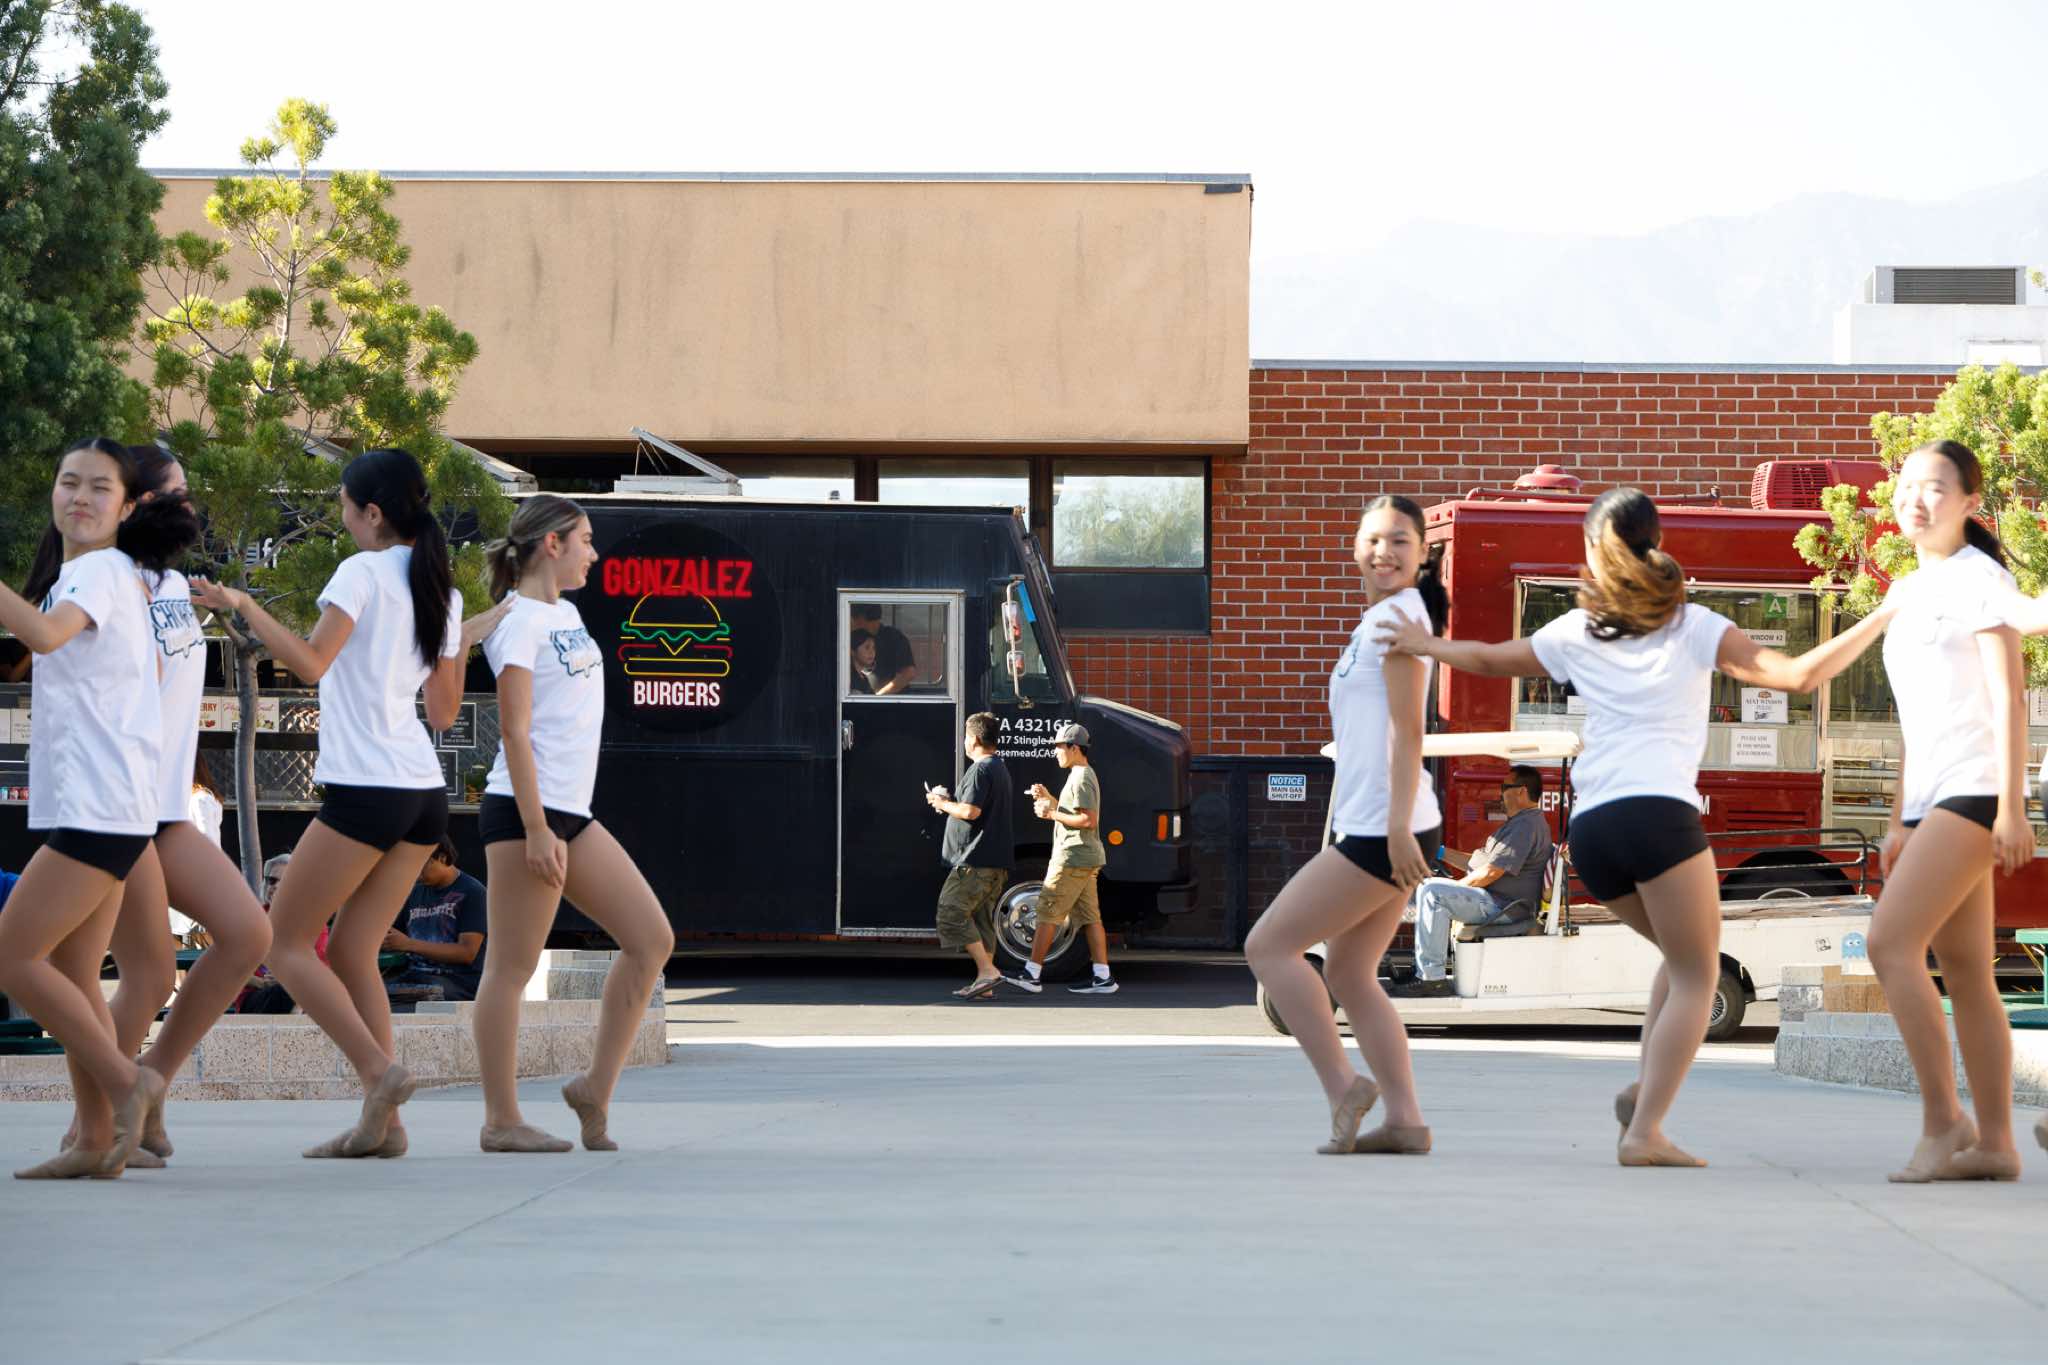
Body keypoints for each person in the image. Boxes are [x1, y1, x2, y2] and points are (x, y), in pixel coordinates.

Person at [1378, 486, 1897, 1166]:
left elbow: (1488, 657)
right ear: (1656, 543)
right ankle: (1646, 1129)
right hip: (1658, 819)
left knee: (1679, 961)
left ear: (1594, 551)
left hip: (1593, 832)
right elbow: (1799, 675)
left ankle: (1643, 1093)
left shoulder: (1578, 630)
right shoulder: (1694, 624)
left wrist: (1425, 642)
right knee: (1699, 972)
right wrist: (1882, 612)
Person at [192, 448, 509, 1160]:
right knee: (355, 948)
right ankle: (385, 1127)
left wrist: (244, 604)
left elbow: (310, 663)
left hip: (367, 789)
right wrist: (459, 639)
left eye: (343, 505)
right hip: (422, 794)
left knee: (282, 942)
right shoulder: (440, 589)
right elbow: (443, 713)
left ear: (372, 512)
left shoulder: (361, 573)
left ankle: (378, 1071)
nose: (341, 517)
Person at [48, 446, 270, 1168]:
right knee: (134, 973)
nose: (190, 506)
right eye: (177, 493)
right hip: (125, 806)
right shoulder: (111, 578)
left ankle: (146, 1088)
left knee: (248, 935)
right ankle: (98, 1124)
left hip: (168, 803)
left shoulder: (171, 581)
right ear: (139, 502)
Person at [1838, 440, 2028, 1182]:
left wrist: (2012, 807)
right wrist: (1896, 817)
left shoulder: (1982, 580)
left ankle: (1945, 1122)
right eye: (1907, 484)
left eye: (1937, 487)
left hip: (1975, 789)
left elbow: (2009, 697)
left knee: (1890, 945)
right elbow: (1916, 715)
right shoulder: (1909, 589)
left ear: (1971, 503)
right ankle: (1997, 1144)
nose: (1916, 498)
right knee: (1969, 972)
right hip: (1929, 797)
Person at [0, 437, 190, 1178]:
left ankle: (128, 1082)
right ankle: (91, 1141)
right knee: (76, 974)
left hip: (100, 804)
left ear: (129, 506)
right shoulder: (97, 574)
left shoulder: (102, 571)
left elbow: (45, 637)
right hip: (104, 800)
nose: (79, 497)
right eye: (68, 482)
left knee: (12, 956)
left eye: (99, 487)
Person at [471, 494, 673, 1154]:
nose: (595, 552)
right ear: (551, 543)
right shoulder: (515, 623)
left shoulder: (568, 612)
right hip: (523, 811)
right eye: (585, 539)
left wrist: (554, 823)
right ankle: (500, 1119)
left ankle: (594, 1089)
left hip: (573, 812)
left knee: (651, 940)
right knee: (511, 967)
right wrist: (535, 828)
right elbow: (514, 730)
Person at [1244, 496, 1442, 1155]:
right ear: (1355, 547)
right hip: (1382, 820)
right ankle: (1406, 1120)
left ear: (1422, 553)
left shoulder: (1399, 621)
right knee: (1352, 973)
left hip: (1385, 827)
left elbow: (1410, 733)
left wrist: (1397, 828)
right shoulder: (1377, 621)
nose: (1385, 551)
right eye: (1374, 539)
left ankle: (1343, 1087)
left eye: (1401, 540)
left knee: (1269, 947)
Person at [1393, 764, 1553, 997]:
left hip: (1505, 907)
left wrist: (1456, 888)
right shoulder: (1520, 824)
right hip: (1498, 901)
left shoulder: (1526, 825)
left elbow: (1491, 873)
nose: (1500, 793)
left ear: (1521, 791)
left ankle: (1432, 979)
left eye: (1505, 787)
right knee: (1429, 887)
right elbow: (1478, 864)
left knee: (1433, 892)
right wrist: (1437, 852)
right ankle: (1423, 969)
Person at [1004, 722, 1117, 995]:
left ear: (1074, 748)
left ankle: (1031, 974)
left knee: (1046, 911)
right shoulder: (1080, 774)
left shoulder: (1081, 778)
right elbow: (1073, 813)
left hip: (1072, 858)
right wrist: (1050, 799)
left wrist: (1050, 814)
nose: (1055, 752)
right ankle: (1102, 977)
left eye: (1059, 747)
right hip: (1084, 857)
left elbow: (1088, 820)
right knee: (1090, 918)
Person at [925, 712, 1013, 999]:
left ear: (974, 739)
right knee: (982, 920)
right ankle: (983, 983)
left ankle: (988, 971)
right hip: (994, 862)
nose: (964, 741)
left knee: (950, 912)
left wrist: (942, 803)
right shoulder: (999, 767)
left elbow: (970, 812)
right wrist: (951, 803)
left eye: (966, 736)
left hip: (974, 861)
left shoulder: (980, 770)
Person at [381, 836, 488, 1004]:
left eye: (419, 866)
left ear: (442, 857)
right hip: (416, 977)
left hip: (458, 982)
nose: (415, 874)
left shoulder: (473, 892)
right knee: (366, 991)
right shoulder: (415, 893)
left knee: (385, 995)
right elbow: (395, 936)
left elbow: (467, 952)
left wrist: (408, 944)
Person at [238, 853, 313, 1015]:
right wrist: (261, 983)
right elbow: (231, 967)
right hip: (257, 996)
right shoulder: (251, 920)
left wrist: (287, 976)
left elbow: (321, 967)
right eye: (272, 880)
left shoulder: (312, 922)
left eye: (285, 882)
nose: (276, 886)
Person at [850, 603, 915, 694]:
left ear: (861, 618)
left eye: (853, 619)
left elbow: (908, 673)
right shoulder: (850, 637)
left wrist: (879, 697)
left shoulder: (893, 637)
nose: (852, 623)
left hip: (892, 699)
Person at [848, 629, 877, 694]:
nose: (872, 652)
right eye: (867, 647)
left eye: (873, 648)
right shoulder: (848, 678)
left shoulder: (863, 677)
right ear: (852, 651)